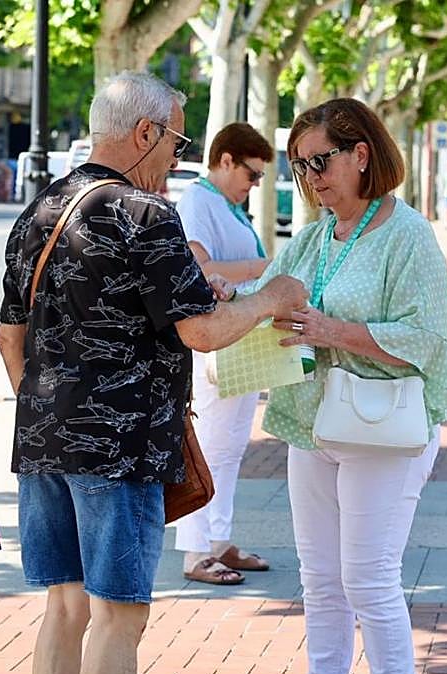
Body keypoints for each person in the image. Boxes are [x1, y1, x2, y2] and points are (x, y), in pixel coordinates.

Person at [0, 71, 306, 674]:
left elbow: (9, 337)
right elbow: (200, 331)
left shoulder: (40, 209)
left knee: (64, 610)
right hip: (122, 446)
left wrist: (51, 411)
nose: (176, 155)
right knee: (118, 620)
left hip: (42, 443)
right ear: (143, 134)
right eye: (175, 138)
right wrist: (273, 297)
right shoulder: (145, 215)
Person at [258, 98, 447, 674]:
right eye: (300, 166)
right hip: (315, 421)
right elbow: (269, 297)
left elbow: (428, 341)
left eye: (320, 161)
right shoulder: (317, 236)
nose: (312, 177)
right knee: (320, 581)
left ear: (361, 154)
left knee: (368, 578)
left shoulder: (407, 236)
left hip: (384, 426)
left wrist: (333, 333)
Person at [173, 122, 274, 586]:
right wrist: (263, 269)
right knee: (210, 440)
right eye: (251, 175)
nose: (254, 186)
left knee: (231, 446)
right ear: (226, 160)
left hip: (241, 333)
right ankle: (195, 551)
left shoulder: (232, 208)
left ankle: (218, 539)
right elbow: (200, 267)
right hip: (214, 334)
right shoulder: (198, 201)